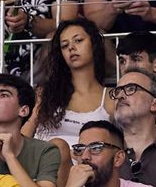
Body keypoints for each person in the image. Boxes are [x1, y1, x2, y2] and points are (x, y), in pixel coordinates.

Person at [30, 17, 113, 147]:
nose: (71, 48)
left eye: (78, 40)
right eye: (65, 45)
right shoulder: (45, 93)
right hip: (43, 156)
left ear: (94, 44)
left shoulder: (111, 97)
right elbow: (25, 134)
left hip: (86, 158)